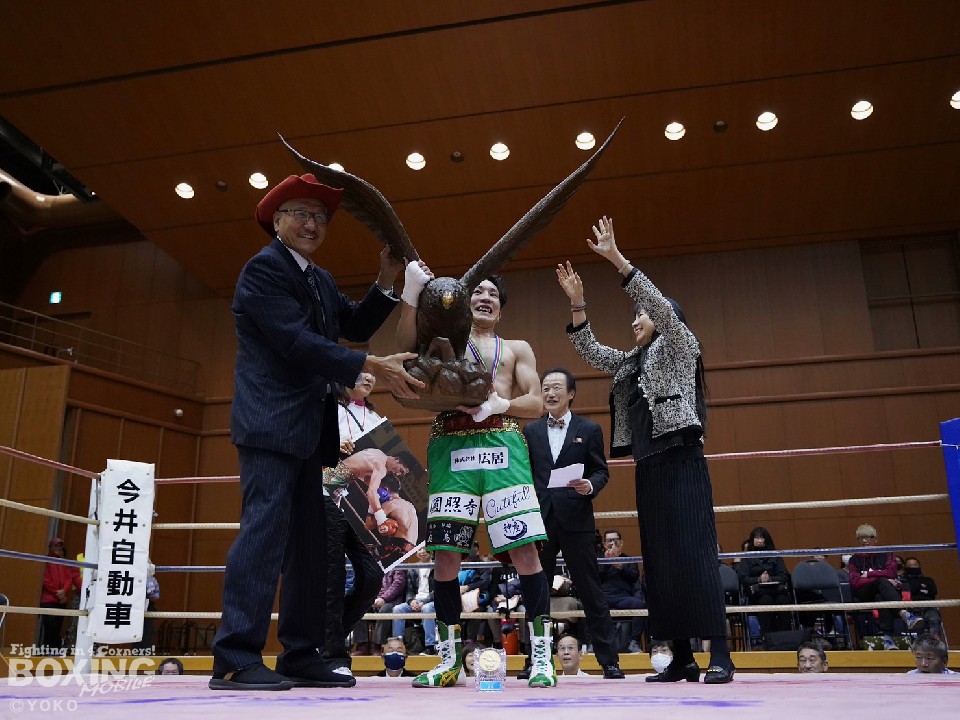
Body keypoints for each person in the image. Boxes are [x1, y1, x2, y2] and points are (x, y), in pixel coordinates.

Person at [209, 172, 423, 692]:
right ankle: (235, 658)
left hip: (315, 434)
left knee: (311, 546)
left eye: (320, 216)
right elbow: (295, 341)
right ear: (276, 220)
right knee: (264, 536)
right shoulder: (263, 270)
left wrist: (387, 280)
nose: (312, 223)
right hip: (270, 425)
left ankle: (302, 654)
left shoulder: (319, 278)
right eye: (301, 213)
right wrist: (372, 365)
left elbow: (354, 324)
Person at [557, 216, 734, 684]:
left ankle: (720, 654)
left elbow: (656, 303)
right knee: (660, 563)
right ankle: (682, 657)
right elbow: (593, 352)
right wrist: (578, 303)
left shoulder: (680, 344)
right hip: (649, 467)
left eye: (642, 313)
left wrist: (617, 259)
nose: (635, 319)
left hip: (682, 463)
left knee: (695, 557)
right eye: (634, 314)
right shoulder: (633, 361)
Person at [397, 270, 557, 688]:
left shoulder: (517, 348)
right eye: (478, 292)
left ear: (500, 308)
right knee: (445, 555)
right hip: (450, 443)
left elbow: (536, 403)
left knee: (525, 550)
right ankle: (449, 660)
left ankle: (543, 659)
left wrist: (500, 403)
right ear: (464, 304)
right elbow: (405, 349)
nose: (485, 297)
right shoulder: (444, 338)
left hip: (503, 439)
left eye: (493, 294)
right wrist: (411, 292)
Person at [521, 367, 625, 680]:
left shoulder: (589, 429)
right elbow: (524, 474)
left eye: (556, 388)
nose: (550, 393)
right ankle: (535, 660)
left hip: (577, 518)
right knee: (536, 590)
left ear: (571, 393)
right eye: (545, 388)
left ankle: (609, 661)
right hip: (540, 519)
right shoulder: (530, 431)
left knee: (591, 590)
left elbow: (601, 471)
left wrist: (589, 485)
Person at [848, 523, 922, 649]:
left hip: (884, 593)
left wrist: (869, 574)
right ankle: (903, 612)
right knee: (882, 582)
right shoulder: (854, 559)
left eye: (868, 537)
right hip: (865, 593)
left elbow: (892, 573)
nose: (864, 541)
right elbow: (855, 582)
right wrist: (882, 578)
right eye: (861, 538)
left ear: (876, 539)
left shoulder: (887, 553)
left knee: (881, 597)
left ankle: (887, 638)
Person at [598, 530, 646, 655]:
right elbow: (595, 579)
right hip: (604, 598)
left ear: (621, 543)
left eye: (615, 540)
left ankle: (634, 642)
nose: (612, 544)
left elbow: (634, 577)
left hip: (623, 598)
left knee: (640, 605)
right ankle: (592, 644)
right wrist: (607, 562)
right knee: (587, 604)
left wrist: (619, 566)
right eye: (609, 541)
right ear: (604, 544)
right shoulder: (599, 560)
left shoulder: (629, 559)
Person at [737, 527, 791, 637]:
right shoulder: (746, 557)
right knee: (766, 600)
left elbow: (783, 576)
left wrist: (770, 579)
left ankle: (784, 637)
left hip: (776, 590)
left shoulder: (775, 555)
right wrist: (759, 579)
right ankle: (767, 637)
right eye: (756, 538)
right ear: (752, 540)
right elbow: (744, 579)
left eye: (762, 537)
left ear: (767, 539)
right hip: (757, 592)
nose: (759, 540)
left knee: (783, 600)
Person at [362, 474, 419, 567]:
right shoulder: (410, 505)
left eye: (378, 489)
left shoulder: (390, 504)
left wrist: (372, 503)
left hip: (397, 550)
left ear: (384, 490)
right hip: (411, 551)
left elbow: (368, 525)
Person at [390, 547, 437, 654]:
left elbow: (438, 590)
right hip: (416, 600)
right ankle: (397, 645)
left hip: (432, 601)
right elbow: (409, 590)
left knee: (427, 609)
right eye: (419, 549)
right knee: (398, 609)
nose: (422, 552)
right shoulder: (413, 568)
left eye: (425, 549)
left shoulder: (437, 566)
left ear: (431, 551)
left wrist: (424, 602)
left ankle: (430, 646)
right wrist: (411, 601)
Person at [39, 537, 81, 651]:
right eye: (56, 546)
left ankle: (55, 650)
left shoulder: (63, 561)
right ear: (50, 547)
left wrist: (64, 591)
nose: (58, 548)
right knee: (49, 627)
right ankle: (48, 650)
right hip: (48, 600)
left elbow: (69, 578)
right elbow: (45, 579)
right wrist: (56, 592)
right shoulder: (46, 560)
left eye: (60, 546)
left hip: (61, 600)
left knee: (58, 626)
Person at [337, 372, 384, 456]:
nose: (369, 378)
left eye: (373, 374)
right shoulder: (329, 409)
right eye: (364, 370)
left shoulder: (375, 418)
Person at [901, 557, 943, 638]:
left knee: (934, 618)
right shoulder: (904, 581)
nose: (913, 568)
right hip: (912, 607)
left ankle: (934, 641)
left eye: (915, 565)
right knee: (917, 623)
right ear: (905, 568)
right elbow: (911, 590)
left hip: (929, 606)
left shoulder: (928, 580)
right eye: (910, 566)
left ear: (919, 566)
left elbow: (933, 591)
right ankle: (918, 642)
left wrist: (917, 588)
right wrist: (921, 587)